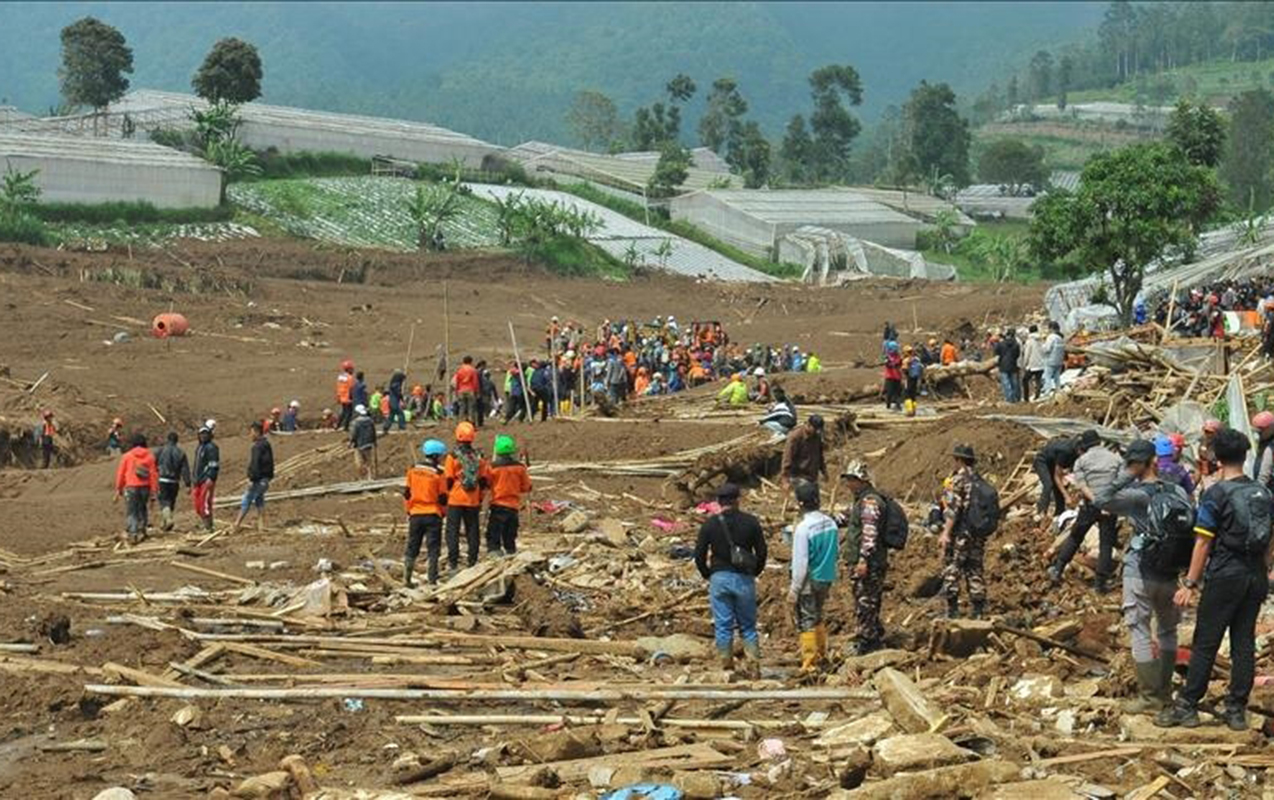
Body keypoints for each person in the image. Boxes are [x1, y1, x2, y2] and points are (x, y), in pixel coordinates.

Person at [1157, 428, 1272, 730]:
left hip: (1225, 575)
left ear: (1217, 458)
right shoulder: (1264, 493)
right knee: (1243, 643)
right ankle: (1235, 709)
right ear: (1246, 456)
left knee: (1206, 642)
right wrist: (1265, 567)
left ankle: (1187, 705)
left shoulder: (1216, 494)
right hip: (1255, 576)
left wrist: (1190, 584)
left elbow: (1203, 542)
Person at [1096, 439, 1184, 713]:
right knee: (1168, 630)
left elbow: (1101, 499)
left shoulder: (1137, 496)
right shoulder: (1178, 491)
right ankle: (1166, 691)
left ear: (1136, 464)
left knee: (1140, 630)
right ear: (1155, 460)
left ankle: (1149, 697)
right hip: (1171, 571)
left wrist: (1128, 475)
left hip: (1140, 570)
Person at [694, 483, 767, 675]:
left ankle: (726, 665)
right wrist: (755, 571)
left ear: (719, 502)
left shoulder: (710, 524)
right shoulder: (751, 522)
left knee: (723, 625)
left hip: (719, 577)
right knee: (748, 626)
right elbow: (762, 551)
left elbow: (699, 554)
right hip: (744, 578)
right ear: (737, 500)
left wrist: (707, 573)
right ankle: (753, 664)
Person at [1047, 429, 1123, 593]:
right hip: (1110, 506)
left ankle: (1058, 569)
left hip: (1090, 505)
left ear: (1085, 446)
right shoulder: (1115, 458)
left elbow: (1082, 486)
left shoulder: (1081, 462)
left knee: (1075, 536)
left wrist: (1096, 501)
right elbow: (1120, 482)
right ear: (1099, 442)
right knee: (1106, 544)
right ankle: (1101, 584)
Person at [788, 481, 838, 672]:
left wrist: (794, 589)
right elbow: (836, 551)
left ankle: (810, 660)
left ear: (800, 503)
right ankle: (822, 653)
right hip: (826, 576)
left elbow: (800, 563)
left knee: (807, 618)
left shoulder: (804, 528)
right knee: (818, 615)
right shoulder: (830, 523)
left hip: (810, 578)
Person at [841, 460, 888, 655]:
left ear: (861, 480)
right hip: (869, 560)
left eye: (851, 480)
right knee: (867, 598)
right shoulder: (861, 500)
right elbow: (849, 518)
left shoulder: (870, 502)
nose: (848, 484)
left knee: (865, 600)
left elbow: (869, 533)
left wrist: (863, 559)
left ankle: (868, 640)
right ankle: (873, 633)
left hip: (870, 562)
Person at [940, 445, 988, 619]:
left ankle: (952, 610)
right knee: (975, 568)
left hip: (961, 533)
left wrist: (946, 532)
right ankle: (978, 610)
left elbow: (953, 509)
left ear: (959, 460)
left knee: (953, 566)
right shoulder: (979, 479)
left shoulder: (958, 481)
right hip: (977, 533)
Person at [444, 421, 490, 572]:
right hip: (473, 499)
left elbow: (448, 479)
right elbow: (484, 480)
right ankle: (472, 561)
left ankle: (453, 563)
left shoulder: (452, 457)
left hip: (455, 499)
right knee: (472, 530)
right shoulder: (479, 456)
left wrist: (447, 495)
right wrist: (480, 497)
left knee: (453, 530)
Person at [403, 439, 448, 586]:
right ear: (436, 456)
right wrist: (443, 513)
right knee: (433, 548)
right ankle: (432, 580)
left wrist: (409, 511)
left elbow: (407, 493)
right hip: (433, 514)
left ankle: (407, 578)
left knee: (412, 546)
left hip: (415, 514)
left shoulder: (412, 470)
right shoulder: (439, 474)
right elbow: (442, 498)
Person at [486, 434, 532, 557]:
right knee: (510, 532)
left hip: (498, 504)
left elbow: (487, 483)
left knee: (494, 531)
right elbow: (526, 487)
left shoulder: (492, 468)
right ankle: (510, 551)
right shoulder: (519, 468)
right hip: (513, 505)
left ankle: (494, 550)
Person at [115, 433, 158, 544]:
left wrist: (118, 488)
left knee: (132, 511)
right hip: (145, 487)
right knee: (142, 508)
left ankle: (133, 532)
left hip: (131, 486)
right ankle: (142, 530)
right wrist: (154, 491)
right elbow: (153, 474)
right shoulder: (150, 456)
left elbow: (121, 473)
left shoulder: (127, 456)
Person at [232, 421, 274, 534]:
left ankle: (236, 524)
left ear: (256, 432)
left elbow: (255, 464)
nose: (250, 435)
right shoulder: (266, 444)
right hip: (265, 479)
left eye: (251, 432)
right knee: (259, 500)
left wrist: (252, 479)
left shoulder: (256, 447)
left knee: (247, 499)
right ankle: (261, 525)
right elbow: (269, 463)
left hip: (258, 479)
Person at [1034, 435, 1079, 522]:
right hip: (1042, 461)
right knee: (1048, 484)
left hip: (1052, 462)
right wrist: (1066, 496)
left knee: (1057, 487)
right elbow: (1057, 476)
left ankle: (1059, 512)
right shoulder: (1066, 451)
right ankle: (1041, 512)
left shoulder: (1078, 453)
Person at [154, 431, 191, 532]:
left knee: (164, 501)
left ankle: (168, 519)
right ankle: (165, 523)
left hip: (162, 479)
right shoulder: (180, 452)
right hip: (174, 481)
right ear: (176, 440)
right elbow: (185, 469)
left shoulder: (160, 451)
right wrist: (188, 484)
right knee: (171, 501)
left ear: (167, 439)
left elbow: (153, 465)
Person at [782, 415, 827, 490]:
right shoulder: (795, 437)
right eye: (815, 429)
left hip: (812, 476)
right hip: (799, 476)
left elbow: (820, 455)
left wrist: (824, 471)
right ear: (808, 425)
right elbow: (787, 458)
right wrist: (785, 479)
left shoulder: (816, 437)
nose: (817, 431)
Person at [191, 425, 220, 532]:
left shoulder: (211, 447)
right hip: (198, 480)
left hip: (206, 480)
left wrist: (210, 478)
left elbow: (214, 464)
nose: (203, 436)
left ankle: (208, 526)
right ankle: (205, 523)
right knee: (198, 504)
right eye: (201, 434)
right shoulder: (199, 448)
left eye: (205, 434)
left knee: (205, 504)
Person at [350, 404, 378, 480]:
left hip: (359, 444)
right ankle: (370, 477)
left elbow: (353, 434)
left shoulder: (355, 422)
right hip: (369, 443)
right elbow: (373, 432)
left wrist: (351, 442)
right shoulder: (370, 421)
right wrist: (374, 442)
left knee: (359, 462)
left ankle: (361, 478)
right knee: (369, 461)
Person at [993, 330, 1021, 403]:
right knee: (1014, 382)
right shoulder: (1016, 344)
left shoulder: (1001, 344)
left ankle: (1009, 398)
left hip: (1003, 365)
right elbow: (1017, 355)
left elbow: (996, 353)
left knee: (1006, 383)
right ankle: (1016, 398)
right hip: (1013, 365)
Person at [1251, 411, 1274, 488]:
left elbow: (1264, 476)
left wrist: (1258, 490)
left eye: (1260, 431)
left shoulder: (1270, 447)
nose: (1257, 435)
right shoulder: (1264, 441)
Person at [1022, 325, 1045, 402]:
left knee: (1025, 380)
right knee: (1038, 380)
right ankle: (1037, 396)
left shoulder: (1030, 341)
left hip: (1032, 365)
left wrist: (1025, 363)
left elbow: (1027, 353)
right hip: (1041, 364)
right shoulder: (1041, 340)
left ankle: (1026, 398)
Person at [1042, 321, 1065, 396]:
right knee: (1057, 377)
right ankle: (1058, 391)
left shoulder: (1051, 337)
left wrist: (1042, 347)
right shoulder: (1060, 338)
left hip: (1050, 360)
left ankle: (1047, 392)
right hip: (1059, 361)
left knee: (1047, 377)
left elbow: (1047, 349)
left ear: (1051, 328)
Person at [882, 342, 903, 411]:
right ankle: (888, 405)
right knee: (889, 392)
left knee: (898, 392)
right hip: (890, 376)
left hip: (897, 376)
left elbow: (899, 363)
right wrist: (891, 363)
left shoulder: (898, 356)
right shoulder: (887, 356)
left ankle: (898, 405)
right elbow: (887, 364)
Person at [335, 359, 356, 432]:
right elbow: (351, 388)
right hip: (348, 397)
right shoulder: (350, 378)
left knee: (343, 412)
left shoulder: (340, 377)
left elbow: (338, 387)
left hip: (341, 396)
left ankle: (337, 425)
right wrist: (352, 397)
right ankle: (346, 427)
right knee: (349, 413)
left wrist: (338, 397)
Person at [903, 345, 923, 415]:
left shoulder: (906, 360)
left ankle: (909, 411)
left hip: (909, 379)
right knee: (913, 395)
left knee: (907, 395)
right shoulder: (917, 359)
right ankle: (914, 410)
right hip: (916, 379)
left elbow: (904, 370)